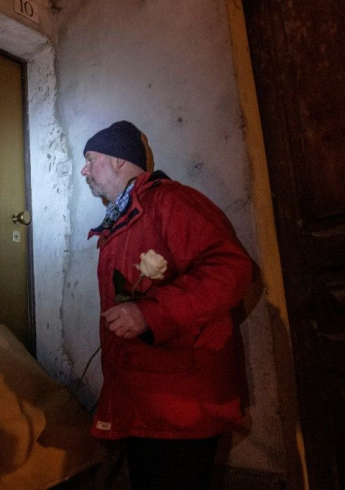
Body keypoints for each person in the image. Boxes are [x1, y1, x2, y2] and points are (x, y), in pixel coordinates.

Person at [80, 121, 252, 489]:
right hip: (149, 404)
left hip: (180, 407)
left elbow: (231, 269)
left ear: (118, 161)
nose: (84, 170)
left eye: (91, 159)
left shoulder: (170, 201)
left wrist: (151, 313)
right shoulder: (120, 221)